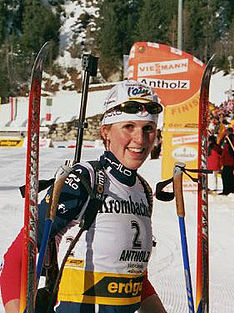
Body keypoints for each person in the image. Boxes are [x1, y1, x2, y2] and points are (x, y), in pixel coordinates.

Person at [0, 80, 167, 313]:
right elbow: (15, 260)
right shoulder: (84, 180)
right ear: (106, 132)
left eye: (148, 128)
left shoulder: (143, 191)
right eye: (128, 126)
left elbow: (134, 276)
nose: (140, 139)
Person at [219, 128, 234, 195]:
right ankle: (228, 190)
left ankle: (227, 190)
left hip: (228, 161)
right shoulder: (232, 139)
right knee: (228, 176)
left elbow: (230, 150)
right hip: (228, 161)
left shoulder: (231, 139)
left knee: (226, 176)